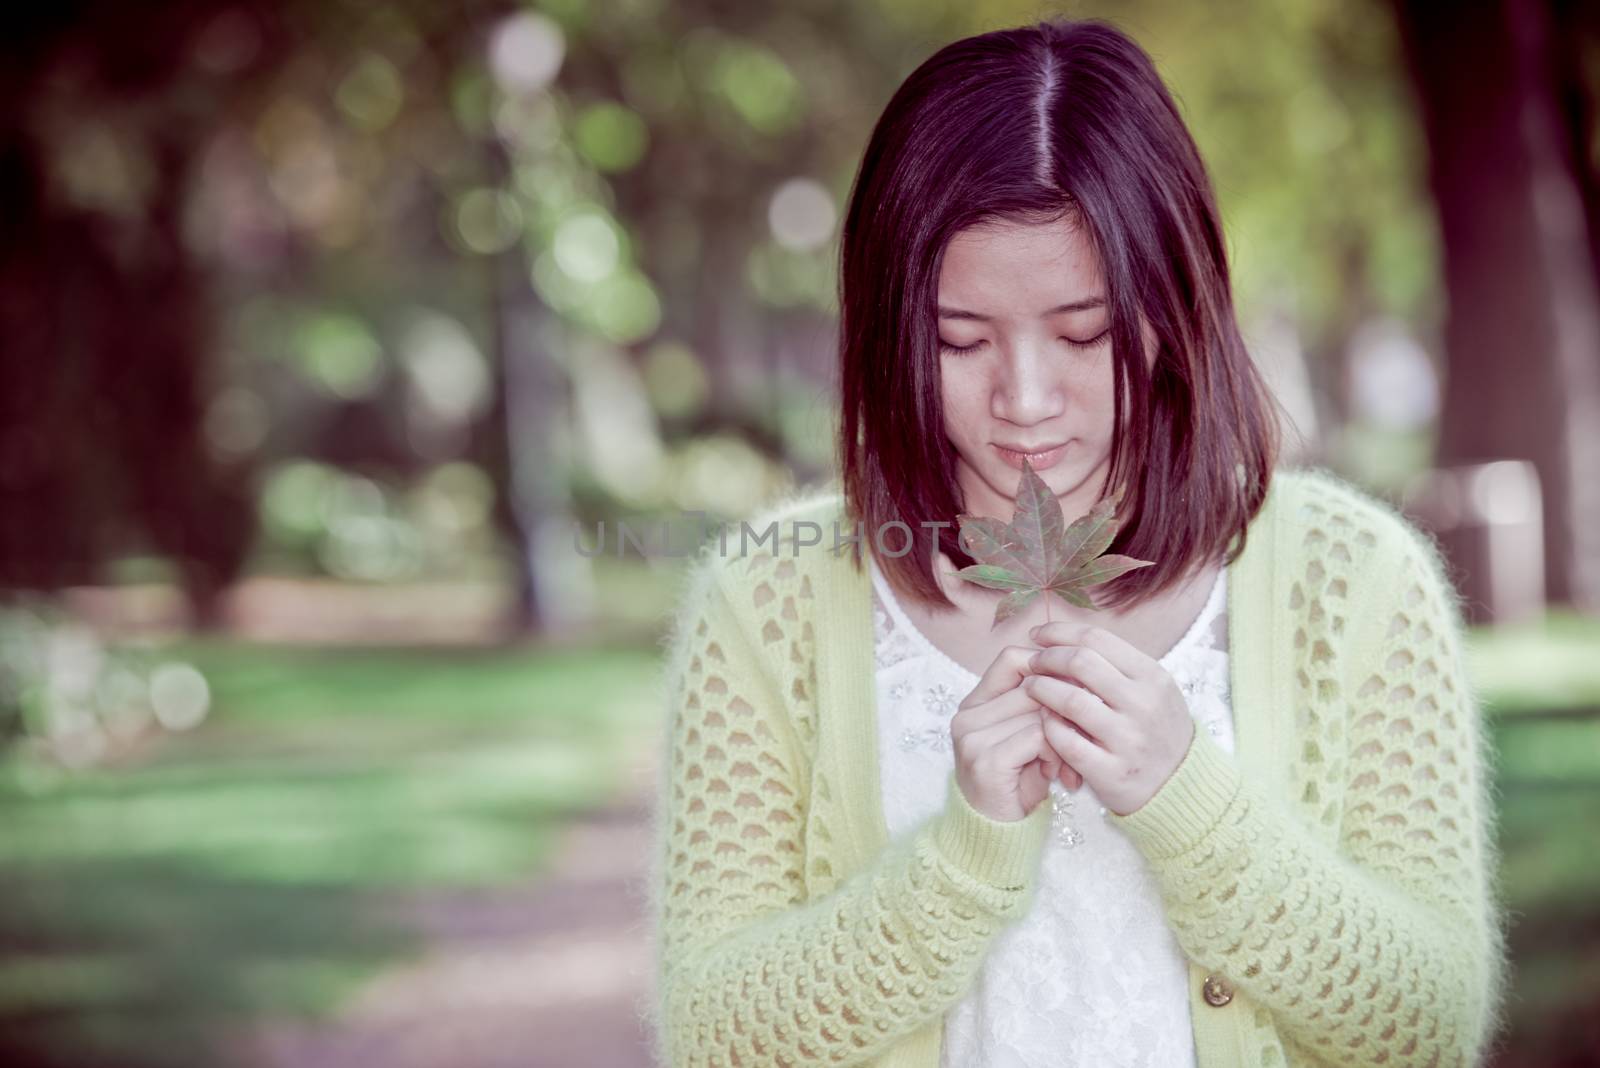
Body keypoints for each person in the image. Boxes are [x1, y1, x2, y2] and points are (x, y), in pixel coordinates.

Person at [644, 16, 1510, 1068]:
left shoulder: (1354, 581)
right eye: (958, 340)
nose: (1022, 400)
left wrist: (1186, 800)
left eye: (1081, 334)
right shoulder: (772, 598)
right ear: (886, 328)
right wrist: (962, 862)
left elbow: (1427, 1027)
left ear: (1172, 312)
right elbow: (712, 1036)